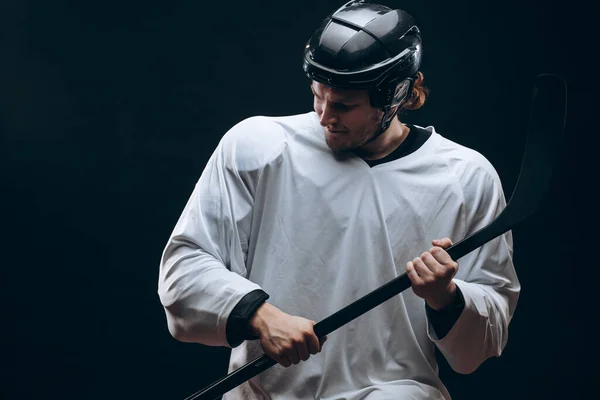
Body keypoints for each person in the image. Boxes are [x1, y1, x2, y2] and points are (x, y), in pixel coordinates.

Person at [157, 1, 520, 399]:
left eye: (345, 105)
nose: (325, 116)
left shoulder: (467, 177)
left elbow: (485, 340)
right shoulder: (257, 146)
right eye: (317, 96)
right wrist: (260, 315)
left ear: (397, 96)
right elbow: (185, 266)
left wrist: (446, 298)